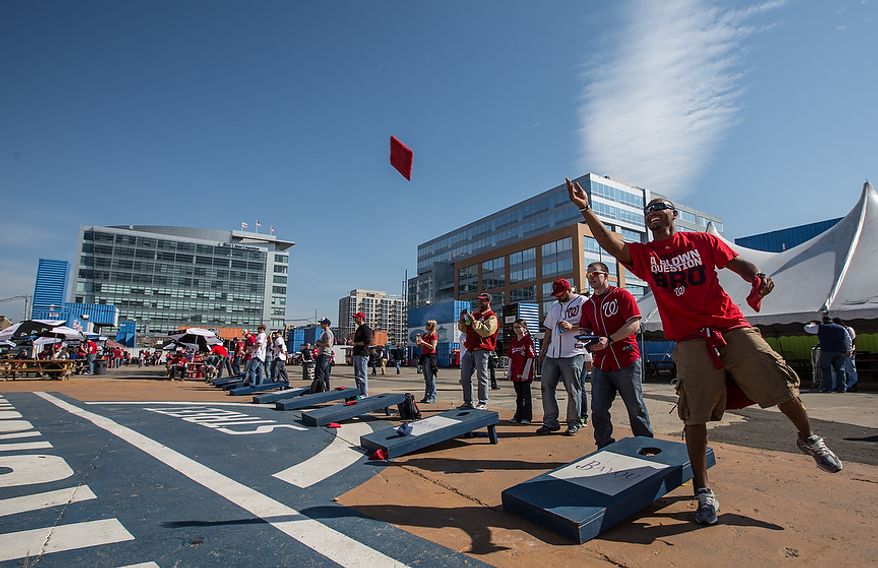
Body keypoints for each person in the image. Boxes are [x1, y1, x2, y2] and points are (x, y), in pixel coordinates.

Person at [567, 177, 843, 525]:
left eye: (659, 208)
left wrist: (757, 277)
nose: (653, 213)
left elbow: (739, 263)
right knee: (693, 413)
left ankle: (808, 438)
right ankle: (703, 490)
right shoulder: (645, 255)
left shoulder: (701, 242)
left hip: (729, 324)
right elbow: (611, 244)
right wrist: (586, 208)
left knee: (774, 376)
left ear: (673, 215)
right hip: (690, 339)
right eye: (648, 211)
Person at [579, 261, 654, 448]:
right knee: (598, 408)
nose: (591, 278)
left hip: (626, 359)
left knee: (635, 407)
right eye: (589, 275)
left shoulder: (621, 295)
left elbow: (634, 324)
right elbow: (584, 329)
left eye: (595, 274)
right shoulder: (588, 304)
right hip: (602, 363)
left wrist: (610, 339)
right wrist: (587, 341)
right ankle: (603, 446)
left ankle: (646, 446)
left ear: (606, 275)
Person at [537, 277, 589, 437]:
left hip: (573, 352)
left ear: (569, 289)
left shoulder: (583, 302)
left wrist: (572, 327)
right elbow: (548, 330)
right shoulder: (554, 306)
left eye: (560, 293)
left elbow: (591, 326)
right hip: (553, 353)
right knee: (546, 387)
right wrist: (543, 350)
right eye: (556, 294)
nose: (558, 296)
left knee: (573, 390)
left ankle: (574, 423)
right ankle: (550, 422)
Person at [457, 292, 499, 410]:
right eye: (478, 300)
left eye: (482, 300)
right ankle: (468, 402)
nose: (479, 302)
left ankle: (482, 401)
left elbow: (486, 331)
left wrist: (474, 321)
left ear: (488, 301)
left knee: (482, 376)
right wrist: (462, 320)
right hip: (470, 349)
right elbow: (464, 329)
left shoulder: (491, 316)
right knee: (464, 377)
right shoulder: (475, 315)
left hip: (482, 349)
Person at [806, 316, 852, 393]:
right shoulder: (841, 328)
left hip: (826, 351)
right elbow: (848, 339)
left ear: (823, 321)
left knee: (826, 370)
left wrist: (812, 324)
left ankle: (828, 388)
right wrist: (848, 350)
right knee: (840, 370)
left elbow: (807, 328)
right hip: (840, 351)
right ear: (831, 321)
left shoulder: (820, 327)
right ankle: (842, 388)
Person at [509, 319, 536, 423]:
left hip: (525, 372)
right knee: (519, 396)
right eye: (514, 327)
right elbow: (511, 356)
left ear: (524, 328)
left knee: (526, 396)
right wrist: (509, 370)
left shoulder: (527, 340)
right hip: (516, 372)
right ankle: (518, 416)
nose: (516, 329)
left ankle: (527, 417)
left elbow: (530, 357)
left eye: (518, 327)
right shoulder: (513, 341)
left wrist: (526, 373)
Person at [416, 320, 439, 404]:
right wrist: (418, 341)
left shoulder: (434, 335)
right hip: (424, 356)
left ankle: (432, 397)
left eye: (428, 324)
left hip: (430, 357)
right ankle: (427, 396)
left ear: (432, 326)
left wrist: (423, 342)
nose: (426, 325)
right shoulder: (425, 335)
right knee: (426, 378)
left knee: (430, 378)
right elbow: (419, 345)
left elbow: (433, 347)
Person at [351, 312, 372, 397]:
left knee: (362, 374)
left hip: (362, 354)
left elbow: (367, 341)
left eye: (356, 318)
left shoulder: (365, 328)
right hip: (357, 353)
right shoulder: (359, 329)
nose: (355, 320)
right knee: (357, 375)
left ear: (360, 318)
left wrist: (357, 344)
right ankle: (359, 392)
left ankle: (364, 394)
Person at [835, 318, 858, 392]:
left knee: (850, 369)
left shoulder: (849, 329)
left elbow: (851, 341)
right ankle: (845, 385)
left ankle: (852, 384)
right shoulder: (839, 330)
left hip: (849, 352)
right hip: (841, 352)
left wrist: (849, 350)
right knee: (843, 370)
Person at [315, 318, 334, 392]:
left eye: (322, 323)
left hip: (324, 354)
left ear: (326, 324)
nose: (320, 324)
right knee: (325, 373)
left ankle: (320, 389)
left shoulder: (327, 333)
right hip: (324, 354)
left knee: (320, 371)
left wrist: (319, 343)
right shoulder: (324, 332)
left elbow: (328, 344)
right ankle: (326, 389)